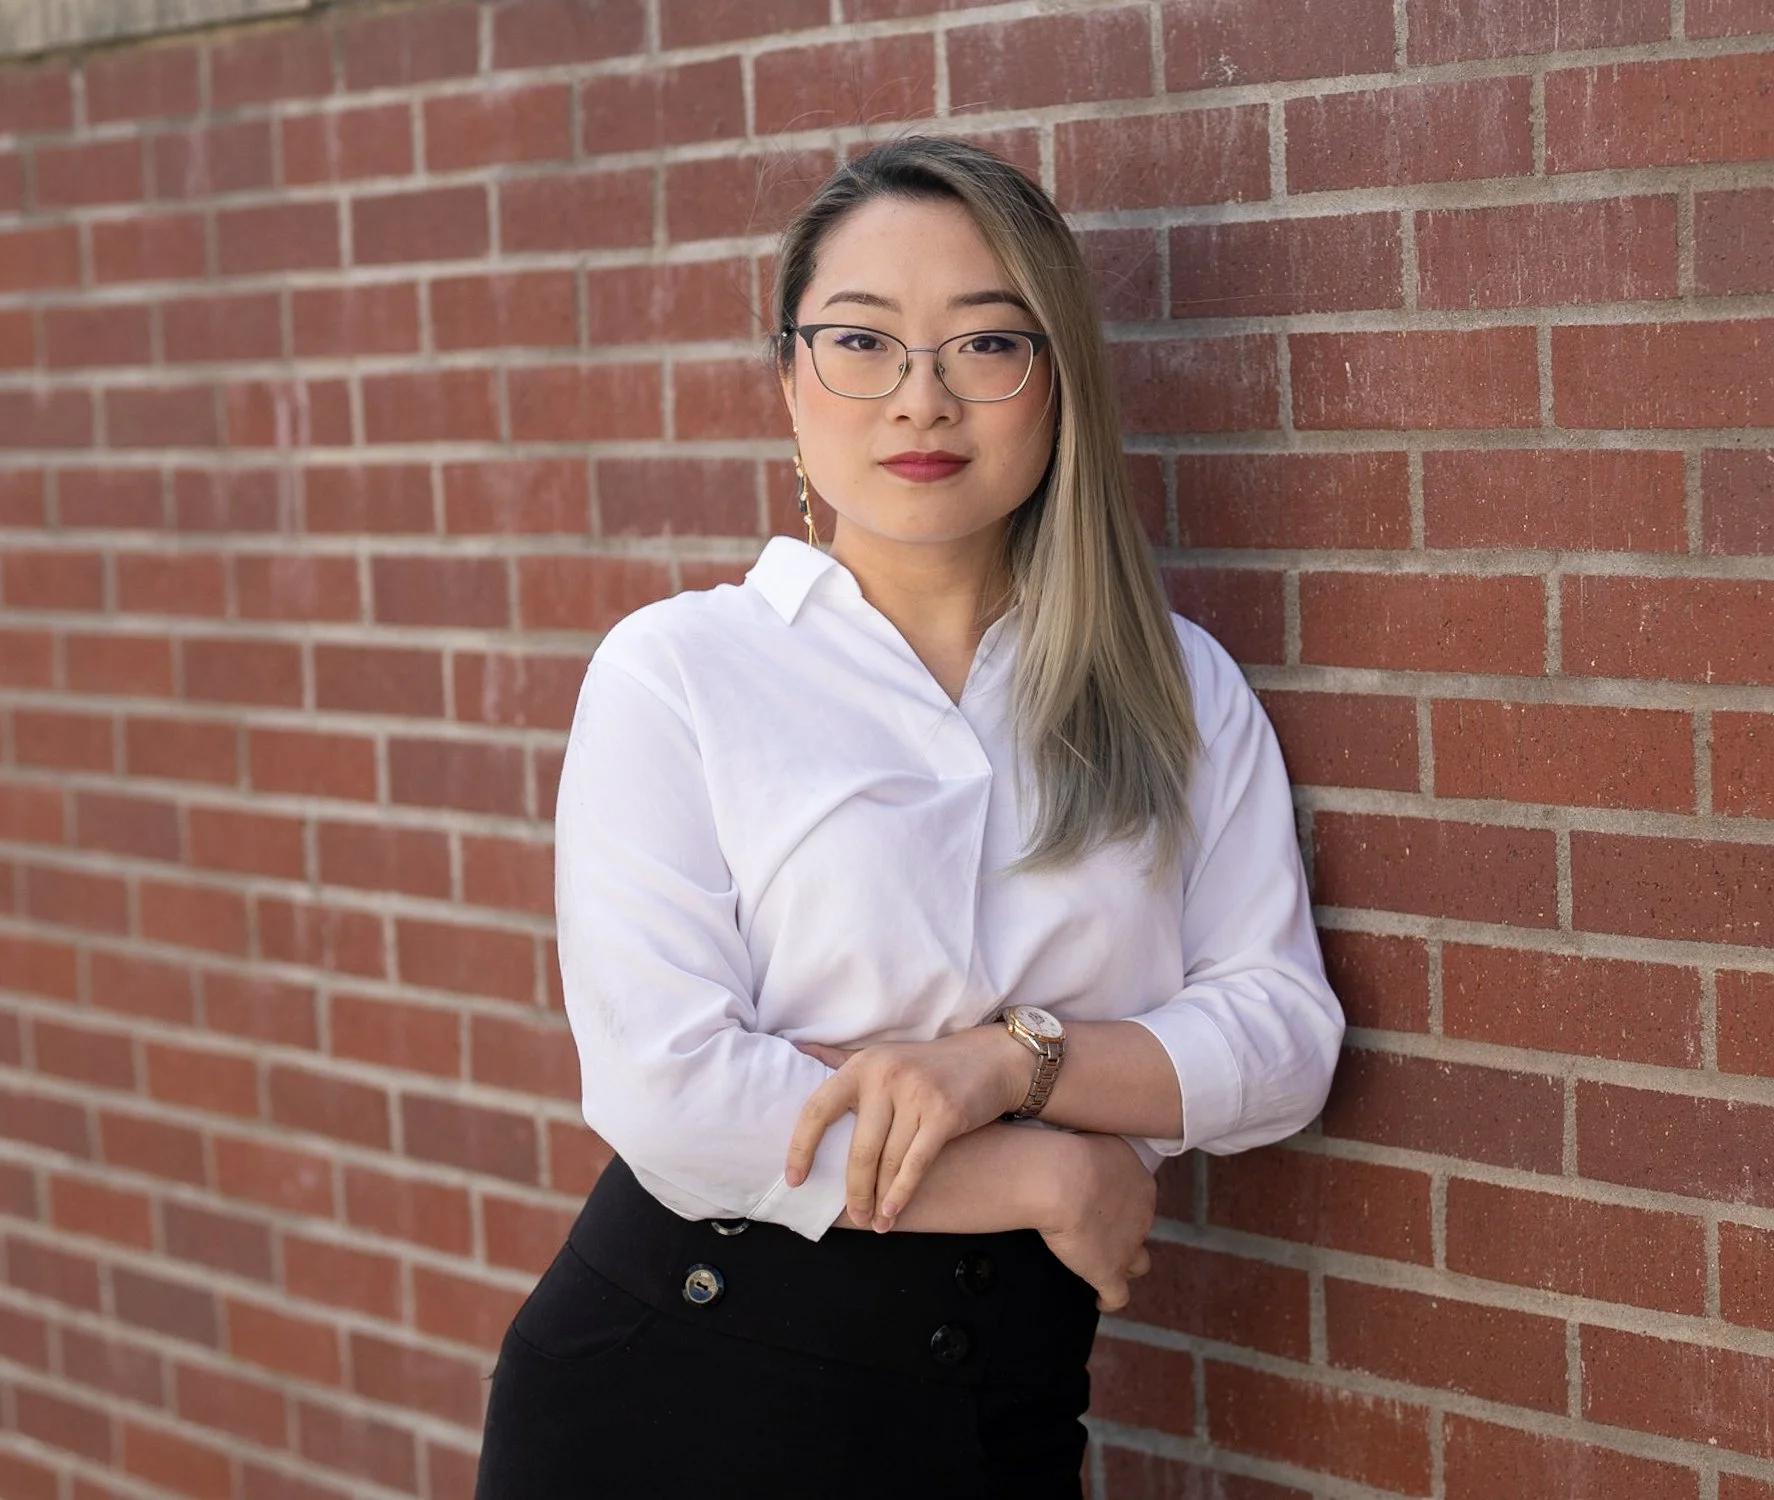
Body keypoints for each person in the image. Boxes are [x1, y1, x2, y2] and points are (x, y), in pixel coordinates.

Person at [472, 134, 1344, 1500]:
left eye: (986, 344)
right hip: (684, 1385)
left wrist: (1010, 1066)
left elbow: (1282, 1039)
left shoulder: (1172, 684)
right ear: (789, 381)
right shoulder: (681, 671)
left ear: (1057, 379)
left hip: (1007, 1398)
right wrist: (1046, 1180)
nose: (920, 400)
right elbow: (670, 1093)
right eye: (861, 344)